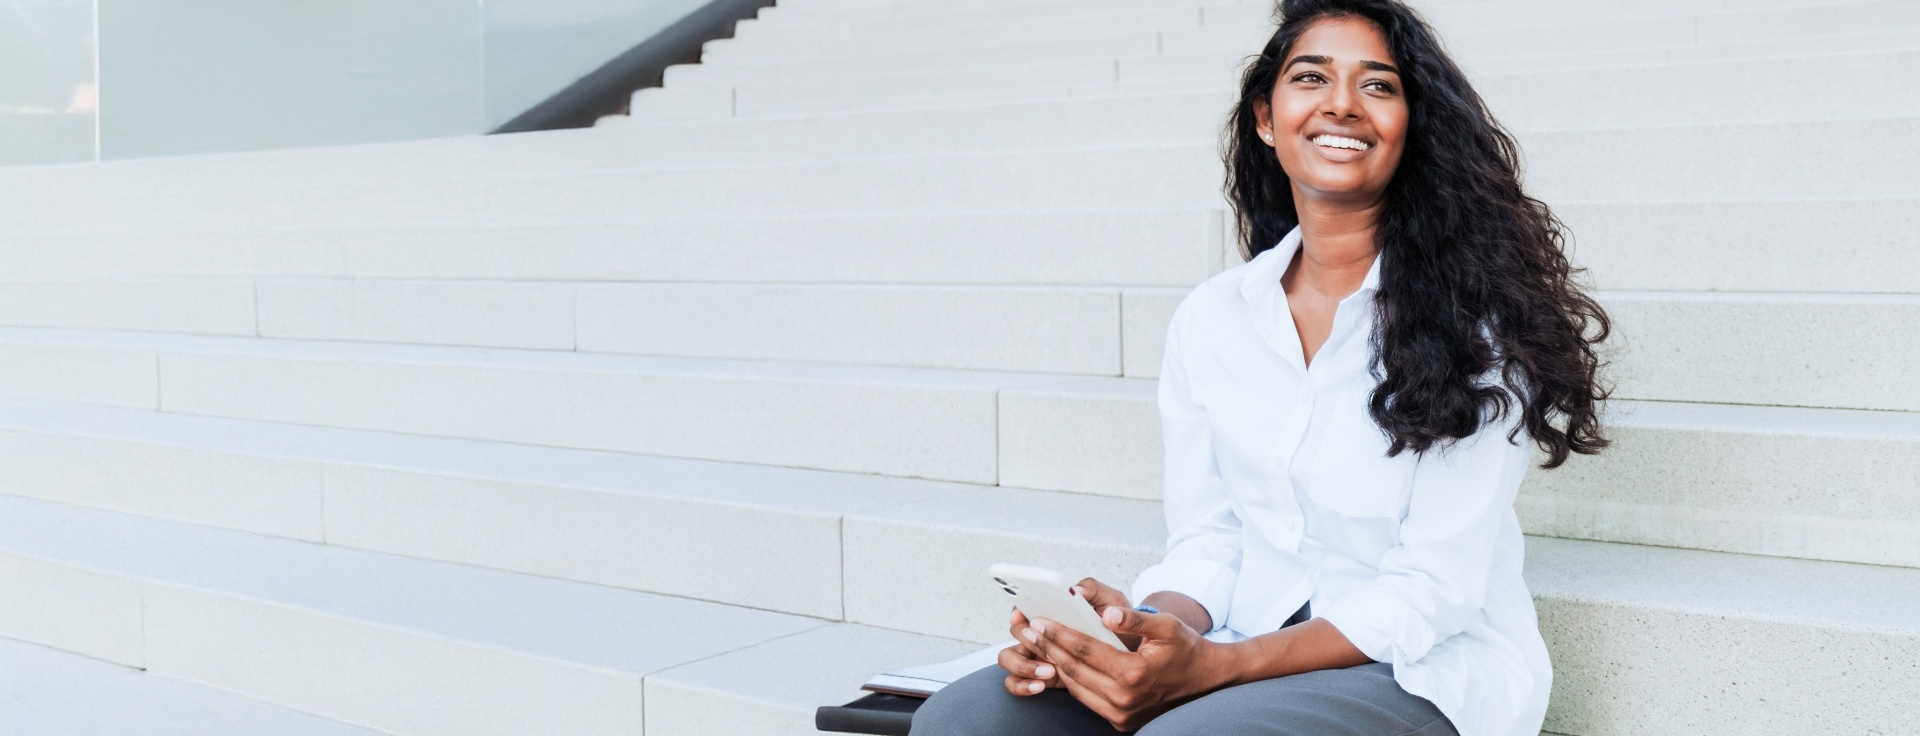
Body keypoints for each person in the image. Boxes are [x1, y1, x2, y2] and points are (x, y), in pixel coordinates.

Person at [910, 0, 1610, 734]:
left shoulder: (1482, 330)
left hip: (1418, 668)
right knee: (971, 716)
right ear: (1266, 119)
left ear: (1413, 130)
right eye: (1311, 78)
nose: (1342, 103)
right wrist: (1133, 631)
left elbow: (1432, 590)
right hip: (1239, 644)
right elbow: (1211, 539)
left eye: (1378, 85)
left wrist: (1213, 670)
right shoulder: (1214, 320)